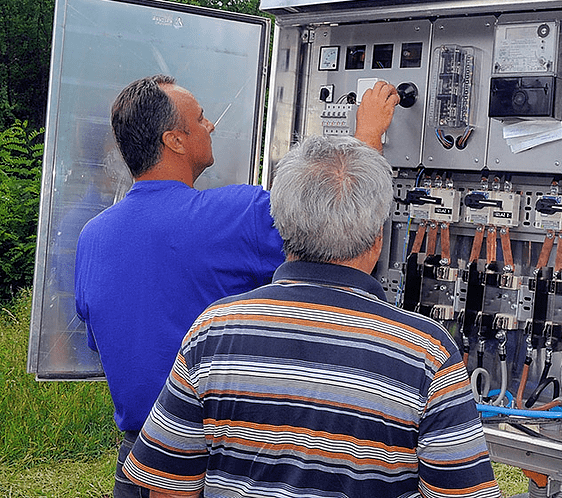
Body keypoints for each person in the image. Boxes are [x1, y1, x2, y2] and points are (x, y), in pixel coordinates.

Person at [122, 135, 501, 498]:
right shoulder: (428, 353)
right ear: (377, 239)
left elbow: (169, 482)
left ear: (281, 226)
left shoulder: (213, 330)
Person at [74, 75, 399, 498]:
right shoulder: (234, 215)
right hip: (218, 465)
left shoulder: (92, 236)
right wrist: (367, 135)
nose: (211, 126)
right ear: (174, 140)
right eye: (201, 118)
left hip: (136, 466)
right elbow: (335, 219)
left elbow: (110, 345)